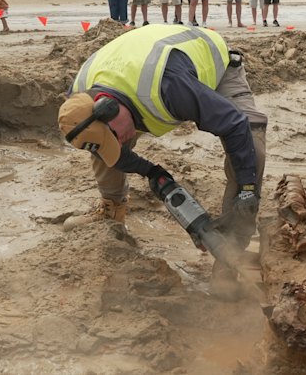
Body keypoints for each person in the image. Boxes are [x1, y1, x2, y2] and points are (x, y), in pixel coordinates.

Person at [58, 24, 267, 299]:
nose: (118, 145)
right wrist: (151, 172)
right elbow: (107, 146)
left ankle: (230, 256)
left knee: (252, 148)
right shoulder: (81, 97)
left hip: (211, 65)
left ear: (108, 108)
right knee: (105, 151)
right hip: (137, 79)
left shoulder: (170, 87)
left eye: (115, 137)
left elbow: (234, 124)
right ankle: (111, 212)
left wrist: (247, 188)